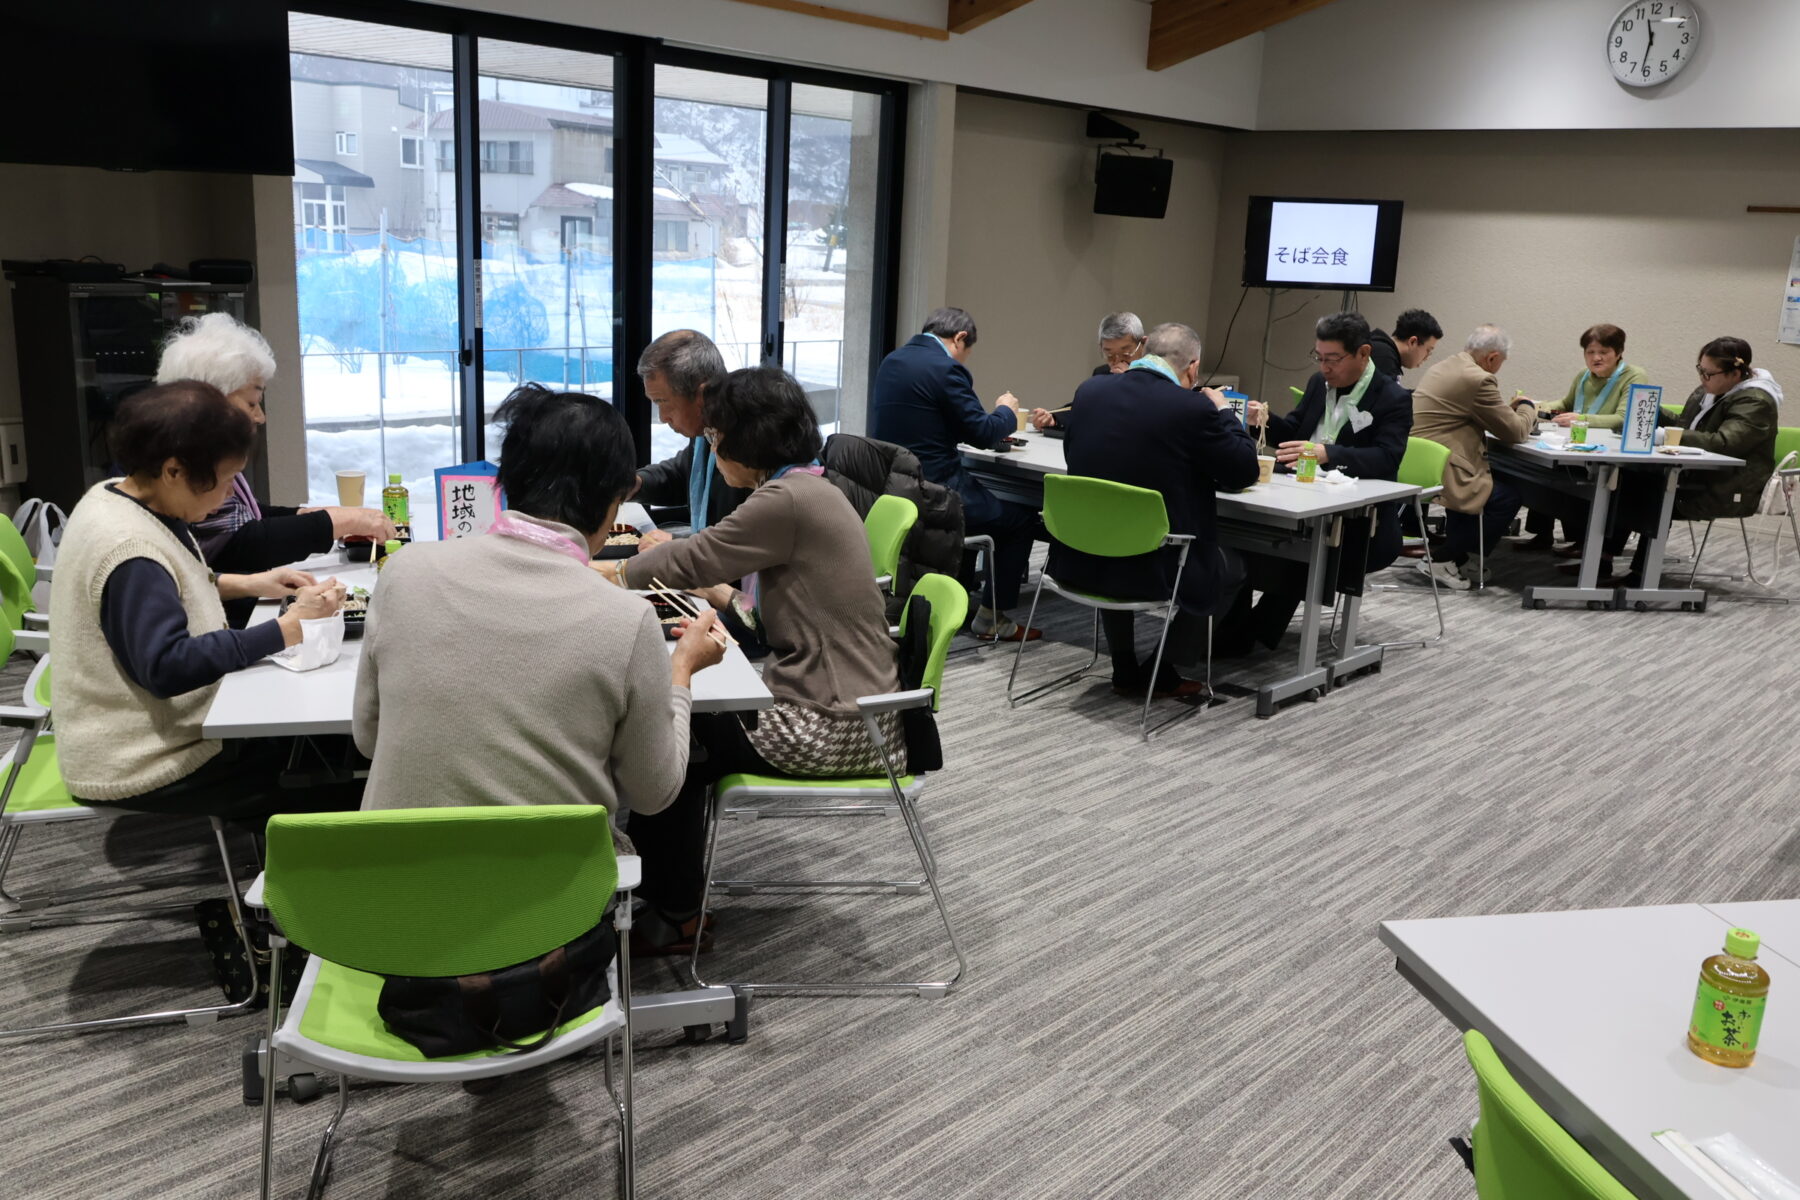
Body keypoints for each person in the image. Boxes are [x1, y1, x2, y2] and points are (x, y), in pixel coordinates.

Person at [353, 383, 727, 921]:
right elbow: (653, 792)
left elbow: (369, 739)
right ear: (613, 500)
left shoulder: (404, 574)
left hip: (399, 915)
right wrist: (682, 671)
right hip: (549, 918)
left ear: (504, 481)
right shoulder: (626, 619)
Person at [596, 366, 903, 949]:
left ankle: (676, 913)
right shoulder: (809, 487)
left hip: (835, 725)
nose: (712, 451)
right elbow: (756, 603)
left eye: (714, 438)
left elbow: (696, 556)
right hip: (853, 706)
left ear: (745, 438)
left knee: (675, 742)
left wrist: (598, 570)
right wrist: (716, 596)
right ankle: (674, 899)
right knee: (686, 728)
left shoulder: (786, 499)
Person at [49, 380, 357, 822]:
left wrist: (254, 583)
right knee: (327, 775)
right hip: (144, 758)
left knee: (317, 738)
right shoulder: (128, 549)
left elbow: (180, 582)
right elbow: (167, 666)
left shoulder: (122, 494)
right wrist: (287, 629)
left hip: (159, 732)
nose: (232, 493)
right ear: (174, 471)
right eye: (227, 478)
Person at [1049, 323, 1258, 697]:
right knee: (1233, 567)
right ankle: (1161, 670)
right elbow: (1243, 470)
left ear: (1143, 349)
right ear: (1192, 368)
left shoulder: (1090, 391)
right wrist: (1225, 412)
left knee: (1117, 536)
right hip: (1153, 565)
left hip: (1081, 554)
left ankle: (1124, 668)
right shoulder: (1192, 408)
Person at [155, 314, 395, 599]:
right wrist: (336, 521)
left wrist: (308, 516)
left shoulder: (196, 450)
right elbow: (239, 545)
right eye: (252, 403)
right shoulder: (184, 464)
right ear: (209, 400)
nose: (260, 416)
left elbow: (247, 516)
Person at [1224, 311, 1412, 652]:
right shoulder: (1318, 384)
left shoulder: (1392, 398)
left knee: (1305, 555)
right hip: (1301, 497)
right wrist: (1260, 421)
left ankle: (1245, 636)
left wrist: (1328, 453)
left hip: (1359, 518)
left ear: (1363, 353)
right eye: (1319, 357)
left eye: (1333, 359)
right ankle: (1234, 632)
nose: (1324, 367)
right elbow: (1294, 434)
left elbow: (1387, 459)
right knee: (1240, 536)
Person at [870, 306, 1040, 641]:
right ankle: (992, 618)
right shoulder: (946, 368)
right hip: (938, 493)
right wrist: (1005, 409)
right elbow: (982, 432)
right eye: (967, 352)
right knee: (1021, 521)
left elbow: (927, 421)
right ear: (960, 338)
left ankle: (959, 603)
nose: (965, 360)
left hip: (896, 491)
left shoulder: (893, 361)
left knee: (984, 508)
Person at [1600, 337, 1782, 587]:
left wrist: (1667, 436)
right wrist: (1651, 410)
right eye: (1700, 370)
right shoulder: (1708, 391)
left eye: (1709, 374)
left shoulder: (1756, 401)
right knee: (1625, 479)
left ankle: (1641, 577)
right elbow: (1686, 427)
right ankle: (1601, 560)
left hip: (1728, 486)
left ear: (1736, 374)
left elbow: (1724, 442)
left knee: (1654, 493)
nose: (1702, 379)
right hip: (1694, 474)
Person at [1408, 325, 1537, 589]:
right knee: (1505, 498)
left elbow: (1471, 411)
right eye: (1501, 361)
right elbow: (1517, 431)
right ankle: (1443, 559)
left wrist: (1505, 409)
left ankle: (1465, 560)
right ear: (1492, 358)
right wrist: (1527, 406)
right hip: (1444, 466)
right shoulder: (1479, 379)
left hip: (1416, 460)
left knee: (1482, 483)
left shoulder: (1447, 365)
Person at [1518, 323, 1653, 554]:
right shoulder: (1584, 376)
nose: (1596, 358)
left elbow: (1623, 418)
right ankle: (1543, 535)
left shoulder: (1634, 376)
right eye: (1590, 352)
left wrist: (1581, 419)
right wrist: (1532, 407)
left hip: (1609, 452)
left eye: (1603, 352)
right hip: (1576, 445)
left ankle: (1584, 541)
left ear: (1619, 353)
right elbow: (1565, 404)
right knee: (1538, 470)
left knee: (1569, 478)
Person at [632, 329, 748, 548]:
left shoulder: (750, 442)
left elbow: (751, 538)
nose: (663, 417)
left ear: (702, 394)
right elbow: (685, 474)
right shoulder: (708, 428)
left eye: (663, 402)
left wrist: (679, 544)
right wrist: (636, 484)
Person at [1029, 311, 1144, 431]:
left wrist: (1130, 384)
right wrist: (1054, 419)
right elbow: (1083, 410)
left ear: (1143, 343)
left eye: (1126, 353)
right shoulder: (1103, 373)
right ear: (1101, 347)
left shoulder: (1157, 377)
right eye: (1109, 354)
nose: (1117, 360)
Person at [1367, 308, 1444, 380]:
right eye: (1428, 350)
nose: (1426, 357)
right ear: (1412, 342)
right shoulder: (1384, 360)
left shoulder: (1378, 348)